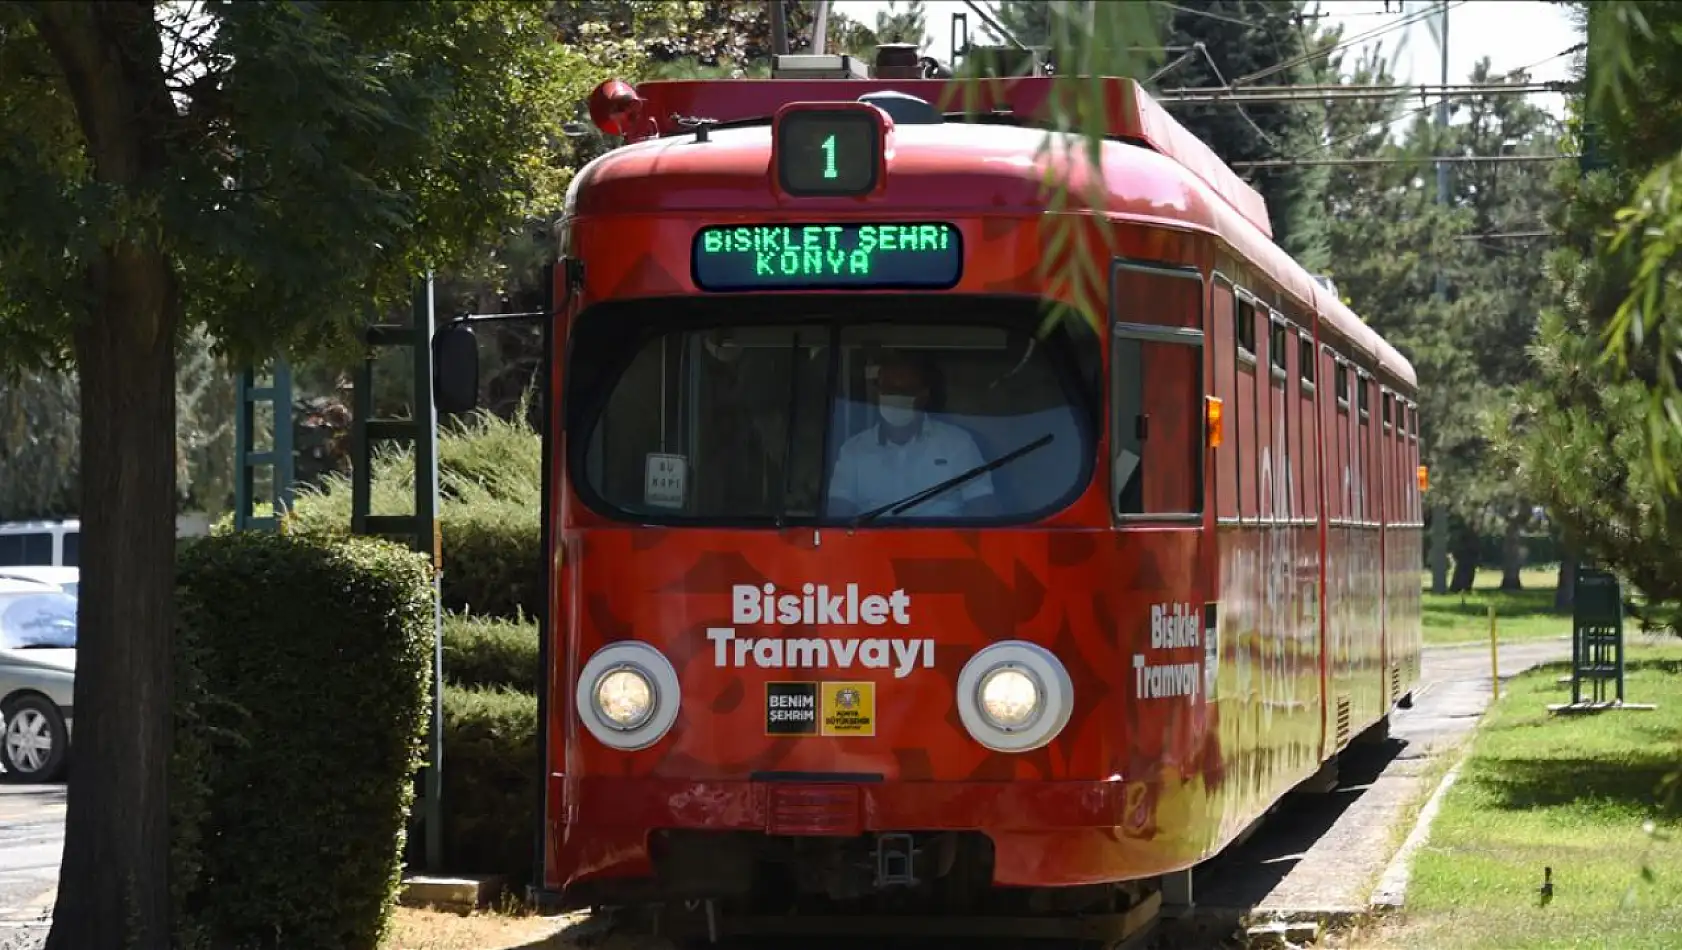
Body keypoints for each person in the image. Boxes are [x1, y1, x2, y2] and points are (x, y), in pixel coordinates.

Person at [827, 351, 999, 519]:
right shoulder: (854, 450)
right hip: (872, 544)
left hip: (943, 544)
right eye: (889, 389)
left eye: (906, 390)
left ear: (924, 394)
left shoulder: (958, 443)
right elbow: (837, 516)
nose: (896, 397)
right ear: (877, 393)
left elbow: (982, 509)